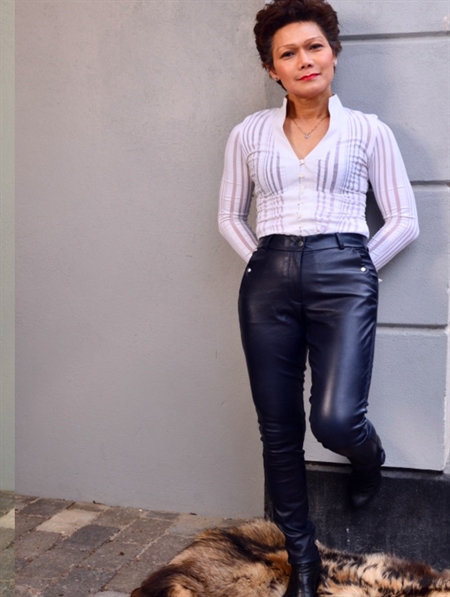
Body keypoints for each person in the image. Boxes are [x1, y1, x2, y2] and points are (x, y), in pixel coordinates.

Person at [218, 0, 419, 596]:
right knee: (278, 427)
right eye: (288, 53)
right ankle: (303, 560)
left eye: (314, 47)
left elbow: (403, 220)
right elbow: (229, 215)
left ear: (333, 53)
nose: (304, 60)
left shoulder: (369, 130)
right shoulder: (249, 133)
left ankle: (368, 458)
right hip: (268, 280)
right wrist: (263, 262)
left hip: (344, 272)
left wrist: (357, 267)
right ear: (272, 68)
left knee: (335, 419)